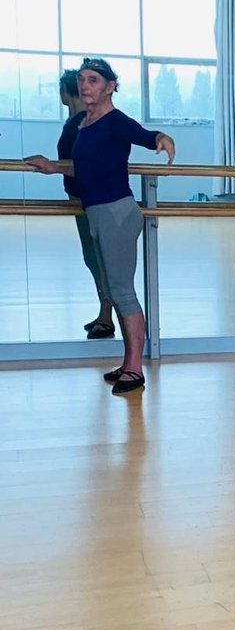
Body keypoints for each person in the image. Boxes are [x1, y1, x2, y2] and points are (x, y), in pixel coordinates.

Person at [25, 58, 176, 395]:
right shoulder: (85, 123)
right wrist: (53, 167)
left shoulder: (115, 122)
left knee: (123, 292)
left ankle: (135, 369)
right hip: (97, 212)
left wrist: (164, 139)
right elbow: (89, 170)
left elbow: (148, 136)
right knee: (113, 289)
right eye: (81, 79)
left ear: (110, 87)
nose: (84, 85)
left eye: (93, 80)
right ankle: (128, 363)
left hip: (116, 214)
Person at [55, 68, 115, 340]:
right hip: (86, 198)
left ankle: (107, 313)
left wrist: (51, 167)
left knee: (97, 257)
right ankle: (105, 311)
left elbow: (85, 164)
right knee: (94, 257)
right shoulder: (81, 121)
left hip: (88, 199)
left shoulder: (79, 123)